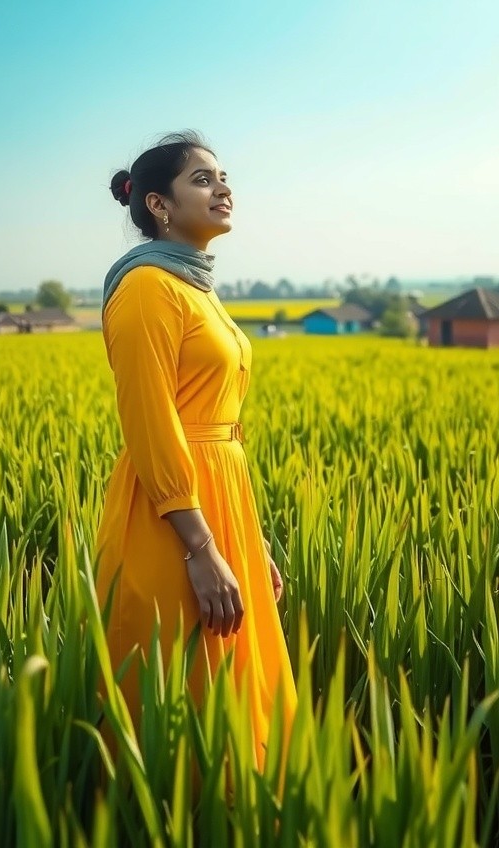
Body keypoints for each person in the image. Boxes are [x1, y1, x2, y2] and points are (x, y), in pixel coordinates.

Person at [94, 130, 297, 776]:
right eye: (203, 179)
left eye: (224, 176)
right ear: (158, 205)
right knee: (180, 698)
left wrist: (250, 542)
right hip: (172, 518)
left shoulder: (197, 288)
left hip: (221, 504)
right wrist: (202, 547)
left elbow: (223, 429)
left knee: (237, 694)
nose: (224, 188)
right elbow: (151, 424)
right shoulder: (148, 288)